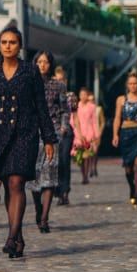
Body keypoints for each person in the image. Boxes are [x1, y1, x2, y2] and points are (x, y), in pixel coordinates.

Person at [0, 27, 56, 260]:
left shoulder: (30, 72)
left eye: (12, 42)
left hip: (25, 134)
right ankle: (18, 238)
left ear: (20, 46)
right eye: (4, 42)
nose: (8, 46)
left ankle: (10, 237)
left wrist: (49, 138)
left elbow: (41, 107)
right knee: (9, 185)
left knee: (17, 181)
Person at [30, 51, 72, 233]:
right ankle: (38, 209)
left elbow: (65, 110)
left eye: (45, 62)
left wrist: (63, 127)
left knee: (49, 175)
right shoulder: (28, 84)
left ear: (51, 64)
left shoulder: (59, 86)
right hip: (32, 134)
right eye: (39, 62)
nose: (42, 65)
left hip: (52, 133)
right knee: (34, 177)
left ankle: (45, 218)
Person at [111, 72, 137, 208]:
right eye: (130, 83)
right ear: (127, 85)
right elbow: (117, 118)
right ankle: (132, 187)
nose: (133, 86)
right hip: (125, 134)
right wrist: (115, 135)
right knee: (128, 168)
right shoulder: (121, 100)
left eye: (135, 83)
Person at [53, 65, 76, 205]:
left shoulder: (70, 96)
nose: (59, 83)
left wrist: (80, 134)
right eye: (57, 80)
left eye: (61, 80)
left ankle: (65, 191)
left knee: (64, 160)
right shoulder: (49, 94)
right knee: (55, 162)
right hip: (52, 132)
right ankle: (57, 190)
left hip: (67, 132)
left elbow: (76, 116)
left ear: (66, 81)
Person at [73, 87, 100, 185]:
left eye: (85, 94)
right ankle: (83, 174)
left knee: (87, 156)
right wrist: (76, 132)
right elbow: (73, 120)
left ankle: (86, 176)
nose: (83, 96)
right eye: (81, 95)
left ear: (87, 96)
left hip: (89, 132)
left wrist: (96, 134)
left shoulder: (91, 107)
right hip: (79, 133)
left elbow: (94, 121)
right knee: (80, 156)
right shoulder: (76, 106)